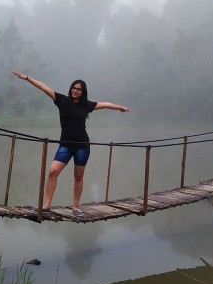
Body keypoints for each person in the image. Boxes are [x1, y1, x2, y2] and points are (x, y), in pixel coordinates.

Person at [12, 71, 130, 216]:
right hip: (66, 145)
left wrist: (120, 108)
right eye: (74, 87)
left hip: (82, 146)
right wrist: (27, 78)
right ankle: (47, 205)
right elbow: (44, 87)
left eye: (79, 89)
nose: (75, 90)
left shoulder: (86, 105)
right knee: (53, 172)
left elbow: (105, 104)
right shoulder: (62, 100)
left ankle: (75, 207)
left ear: (83, 92)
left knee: (78, 176)